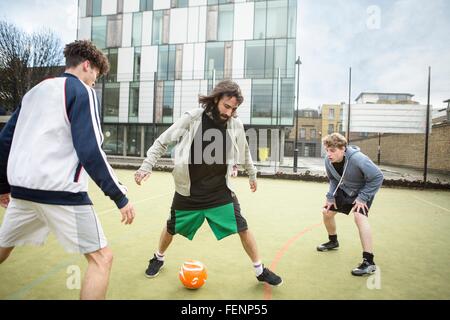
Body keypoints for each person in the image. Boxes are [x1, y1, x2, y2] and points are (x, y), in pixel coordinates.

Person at [0, 40, 135, 299]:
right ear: (87, 65)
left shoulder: (34, 92)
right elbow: (90, 150)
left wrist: (3, 187)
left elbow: (4, 140)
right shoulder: (81, 91)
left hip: (22, 193)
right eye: (96, 73)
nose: (95, 80)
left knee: (3, 249)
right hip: (62, 194)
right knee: (101, 259)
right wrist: (120, 196)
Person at [134, 80, 282, 286]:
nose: (229, 112)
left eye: (234, 109)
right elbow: (163, 141)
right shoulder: (193, 118)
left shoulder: (235, 125)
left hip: (219, 191)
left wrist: (252, 173)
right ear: (215, 100)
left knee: (243, 227)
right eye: (226, 106)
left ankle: (260, 270)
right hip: (189, 191)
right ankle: (158, 257)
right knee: (171, 227)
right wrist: (146, 166)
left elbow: (245, 151)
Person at [317, 133, 383, 276]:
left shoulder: (358, 159)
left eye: (332, 151)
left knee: (359, 217)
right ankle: (333, 242)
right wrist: (330, 197)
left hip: (362, 192)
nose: (329, 154)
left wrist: (363, 198)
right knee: (327, 212)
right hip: (344, 189)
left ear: (343, 148)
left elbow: (378, 176)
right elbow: (333, 180)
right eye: (327, 150)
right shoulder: (328, 160)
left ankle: (369, 262)